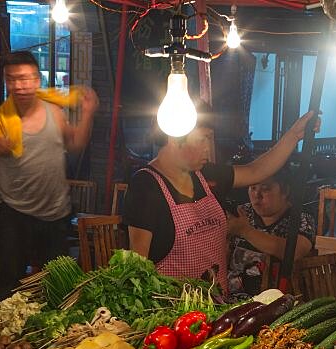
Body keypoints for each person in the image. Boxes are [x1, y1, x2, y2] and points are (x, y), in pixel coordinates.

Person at [124, 108, 318, 291]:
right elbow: (138, 265)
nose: (208, 149)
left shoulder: (205, 174)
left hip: (216, 307)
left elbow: (256, 170)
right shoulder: (146, 186)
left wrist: (294, 135)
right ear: (175, 138)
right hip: (172, 313)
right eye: (203, 139)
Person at [0, 50, 98, 298]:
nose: (19, 86)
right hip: (15, 215)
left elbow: (76, 144)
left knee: (58, 287)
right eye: (11, 79)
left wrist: (88, 113)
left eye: (24, 78)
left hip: (56, 214)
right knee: (10, 286)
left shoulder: (54, 113)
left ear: (37, 80)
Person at [226, 166, 316, 296]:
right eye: (253, 188)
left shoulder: (300, 217)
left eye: (265, 189)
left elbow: (296, 251)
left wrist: (245, 231)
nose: (257, 195)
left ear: (285, 191)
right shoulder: (242, 213)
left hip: (276, 299)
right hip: (230, 297)